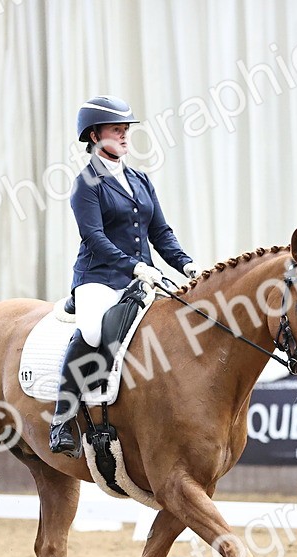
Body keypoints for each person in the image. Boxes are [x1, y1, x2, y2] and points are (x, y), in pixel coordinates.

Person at [49, 95, 199, 456]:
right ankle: (61, 419)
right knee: (93, 330)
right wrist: (134, 266)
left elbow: (160, 232)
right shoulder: (86, 183)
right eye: (117, 127)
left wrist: (187, 265)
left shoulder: (140, 179)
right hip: (98, 277)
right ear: (94, 134)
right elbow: (94, 237)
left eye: (126, 127)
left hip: (142, 277)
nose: (124, 132)